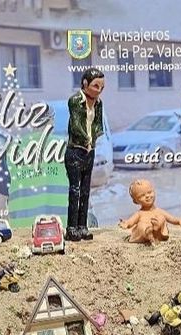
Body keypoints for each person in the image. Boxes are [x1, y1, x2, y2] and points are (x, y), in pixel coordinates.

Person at [65, 67, 106, 242]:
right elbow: (76, 125)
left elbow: (98, 124)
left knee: (86, 191)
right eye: (96, 86)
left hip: (89, 151)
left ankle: (83, 226)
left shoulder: (99, 103)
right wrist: (86, 138)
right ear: (85, 84)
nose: (99, 90)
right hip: (75, 150)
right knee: (75, 190)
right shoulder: (75, 101)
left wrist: (94, 137)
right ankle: (72, 227)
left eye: (101, 87)